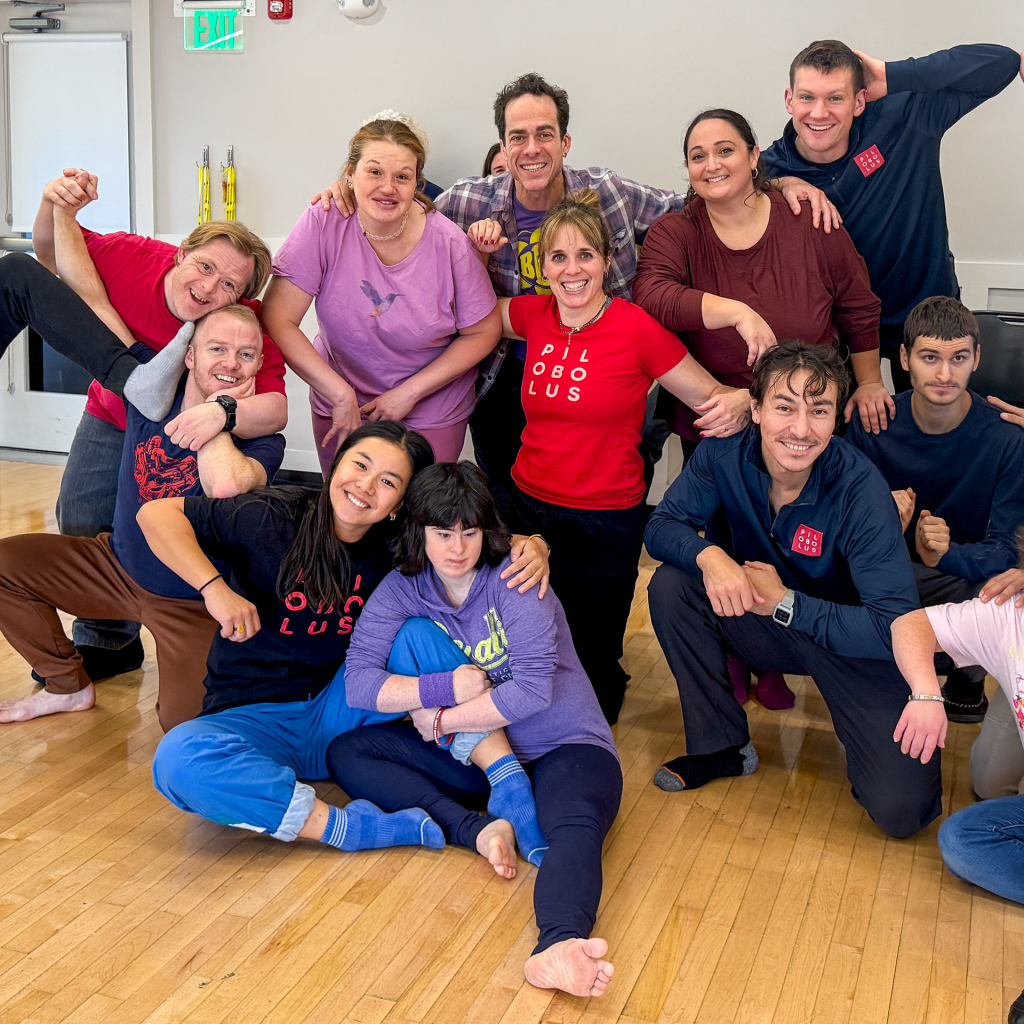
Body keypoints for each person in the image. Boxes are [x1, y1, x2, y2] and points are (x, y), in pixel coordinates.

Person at [144, 424, 550, 850]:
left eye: (388, 481)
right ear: (335, 464)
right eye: (360, 465)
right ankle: (352, 829)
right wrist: (213, 589)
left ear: (400, 504)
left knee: (417, 634)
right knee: (177, 760)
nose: (366, 486)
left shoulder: (396, 542)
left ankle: (508, 783)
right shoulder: (270, 515)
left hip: (344, 708)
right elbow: (155, 514)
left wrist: (534, 544)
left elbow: (467, 536)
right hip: (253, 717)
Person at [328, 461, 622, 999]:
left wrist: (443, 720)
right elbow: (358, 683)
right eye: (442, 533)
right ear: (418, 531)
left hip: (563, 743)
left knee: (573, 830)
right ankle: (476, 829)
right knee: (348, 753)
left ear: (486, 529)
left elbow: (532, 691)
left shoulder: (515, 576)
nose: (457, 547)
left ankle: (557, 945)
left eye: (469, 531)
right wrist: (438, 691)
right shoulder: (403, 589)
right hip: (477, 760)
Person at [644, 339, 942, 839]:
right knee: (674, 585)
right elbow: (662, 526)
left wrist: (785, 603)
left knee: (901, 811)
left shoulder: (861, 489)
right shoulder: (723, 453)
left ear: (835, 420)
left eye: (819, 411)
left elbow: (889, 626)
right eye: (785, 407)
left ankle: (868, 749)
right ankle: (723, 747)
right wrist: (711, 556)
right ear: (755, 409)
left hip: (848, 640)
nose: (800, 430)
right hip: (766, 621)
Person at [487, 188, 750, 724]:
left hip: (604, 522)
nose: (572, 269)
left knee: (592, 689)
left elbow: (712, 398)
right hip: (526, 510)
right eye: (558, 256)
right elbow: (458, 310)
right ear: (542, 265)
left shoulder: (635, 327)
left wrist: (749, 398)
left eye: (585, 255)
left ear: (607, 262)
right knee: (519, 660)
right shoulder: (533, 315)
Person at [33, 169, 288, 681]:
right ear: (180, 254)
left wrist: (222, 411)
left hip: (188, 426)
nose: (208, 286)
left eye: (229, 285)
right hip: (112, 412)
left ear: (241, 298)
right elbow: (49, 252)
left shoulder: (242, 327)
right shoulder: (130, 256)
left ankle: (192, 622)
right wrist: (53, 202)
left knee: (174, 526)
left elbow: (276, 407)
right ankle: (108, 642)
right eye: (205, 266)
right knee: (80, 516)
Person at [0, 295, 285, 728]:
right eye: (217, 349)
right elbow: (97, 304)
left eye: (246, 354)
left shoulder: (262, 438)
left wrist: (216, 413)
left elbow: (225, 485)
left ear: (258, 365)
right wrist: (61, 222)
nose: (231, 362)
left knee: (184, 730)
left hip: (193, 601)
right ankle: (66, 686)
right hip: (116, 566)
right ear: (189, 354)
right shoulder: (149, 393)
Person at [761, 39, 1023, 393]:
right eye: (807, 97)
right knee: (840, 440)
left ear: (859, 101)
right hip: (839, 334)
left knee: (931, 438)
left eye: (835, 98)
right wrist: (779, 182)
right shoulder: (767, 168)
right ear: (789, 100)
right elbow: (707, 199)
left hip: (926, 314)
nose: (819, 113)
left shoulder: (904, 119)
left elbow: (1003, 63)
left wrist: (894, 75)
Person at [263, 118, 500, 473]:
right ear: (350, 174)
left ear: (417, 184)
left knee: (419, 517)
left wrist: (410, 393)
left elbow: (483, 331)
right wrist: (339, 393)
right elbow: (278, 318)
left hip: (429, 403)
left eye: (402, 177)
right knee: (345, 510)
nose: (387, 187)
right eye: (374, 172)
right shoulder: (324, 221)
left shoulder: (449, 242)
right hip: (340, 392)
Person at [847, 296, 1024, 725]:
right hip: (883, 567)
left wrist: (945, 556)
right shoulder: (874, 423)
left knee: (1002, 588)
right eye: (930, 358)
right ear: (904, 358)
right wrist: (881, 518)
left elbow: (1005, 548)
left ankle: (967, 676)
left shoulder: (1006, 437)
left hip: (959, 572)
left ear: (977, 359)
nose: (944, 374)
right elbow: (841, 523)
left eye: (958, 358)